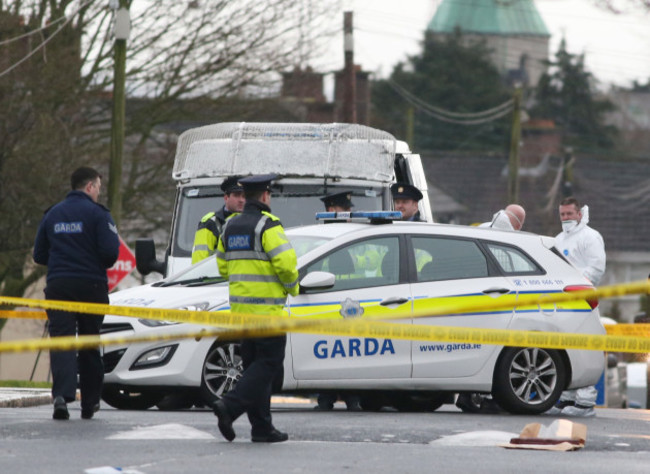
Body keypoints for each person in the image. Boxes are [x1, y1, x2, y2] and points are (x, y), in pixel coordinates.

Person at [212, 174, 299, 443]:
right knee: (268, 365)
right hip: (268, 314)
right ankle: (230, 405)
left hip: (241, 313)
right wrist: (293, 287)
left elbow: (222, 266)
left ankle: (261, 427)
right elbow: (286, 265)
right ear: (265, 196)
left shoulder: (229, 226)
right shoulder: (268, 225)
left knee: (254, 369)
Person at [33, 167, 120, 420]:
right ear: (90, 187)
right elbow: (110, 254)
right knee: (89, 341)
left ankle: (61, 396)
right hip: (91, 286)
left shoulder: (53, 214)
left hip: (59, 285)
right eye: (99, 188)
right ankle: (89, 402)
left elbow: (39, 255)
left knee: (62, 340)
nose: (99, 193)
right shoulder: (99, 215)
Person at [457, 204, 526, 414]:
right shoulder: (513, 240)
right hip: (497, 303)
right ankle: (490, 398)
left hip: (469, 297)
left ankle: (467, 395)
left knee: (471, 346)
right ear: (517, 223)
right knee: (495, 351)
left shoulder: (479, 230)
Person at [547, 197, 606, 417]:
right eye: (562, 215)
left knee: (585, 347)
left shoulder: (590, 237)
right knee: (567, 347)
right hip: (564, 302)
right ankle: (568, 397)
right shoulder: (559, 239)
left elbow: (597, 267)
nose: (565, 218)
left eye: (569, 214)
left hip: (582, 299)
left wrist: (578, 287)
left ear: (579, 214)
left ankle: (585, 402)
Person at [314, 191, 362, 412]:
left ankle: (344, 398)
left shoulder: (344, 235)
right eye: (346, 209)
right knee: (336, 351)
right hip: (331, 302)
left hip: (347, 303)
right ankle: (331, 398)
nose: (351, 213)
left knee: (345, 351)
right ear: (333, 211)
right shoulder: (326, 237)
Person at [191, 176, 246, 264]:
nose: (241, 200)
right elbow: (199, 262)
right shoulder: (210, 224)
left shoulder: (256, 221)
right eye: (236, 195)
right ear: (226, 198)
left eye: (244, 196)